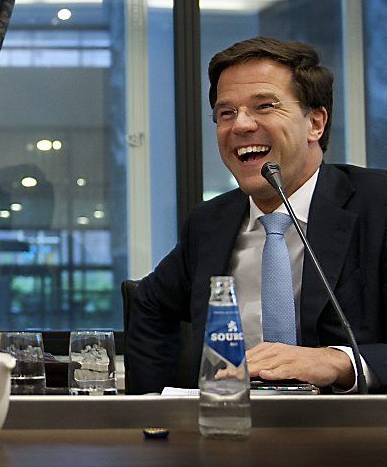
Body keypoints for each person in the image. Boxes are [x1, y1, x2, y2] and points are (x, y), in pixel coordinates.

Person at [127, 37, 386, 394]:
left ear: (315, 122)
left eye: (264, 106)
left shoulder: (378, 205)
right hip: (229, 429)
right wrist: (158, 416)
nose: (241, 126)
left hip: (348, 437)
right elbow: (150, 307)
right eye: (225, 113)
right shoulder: (209, 223)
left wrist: (338, 362)